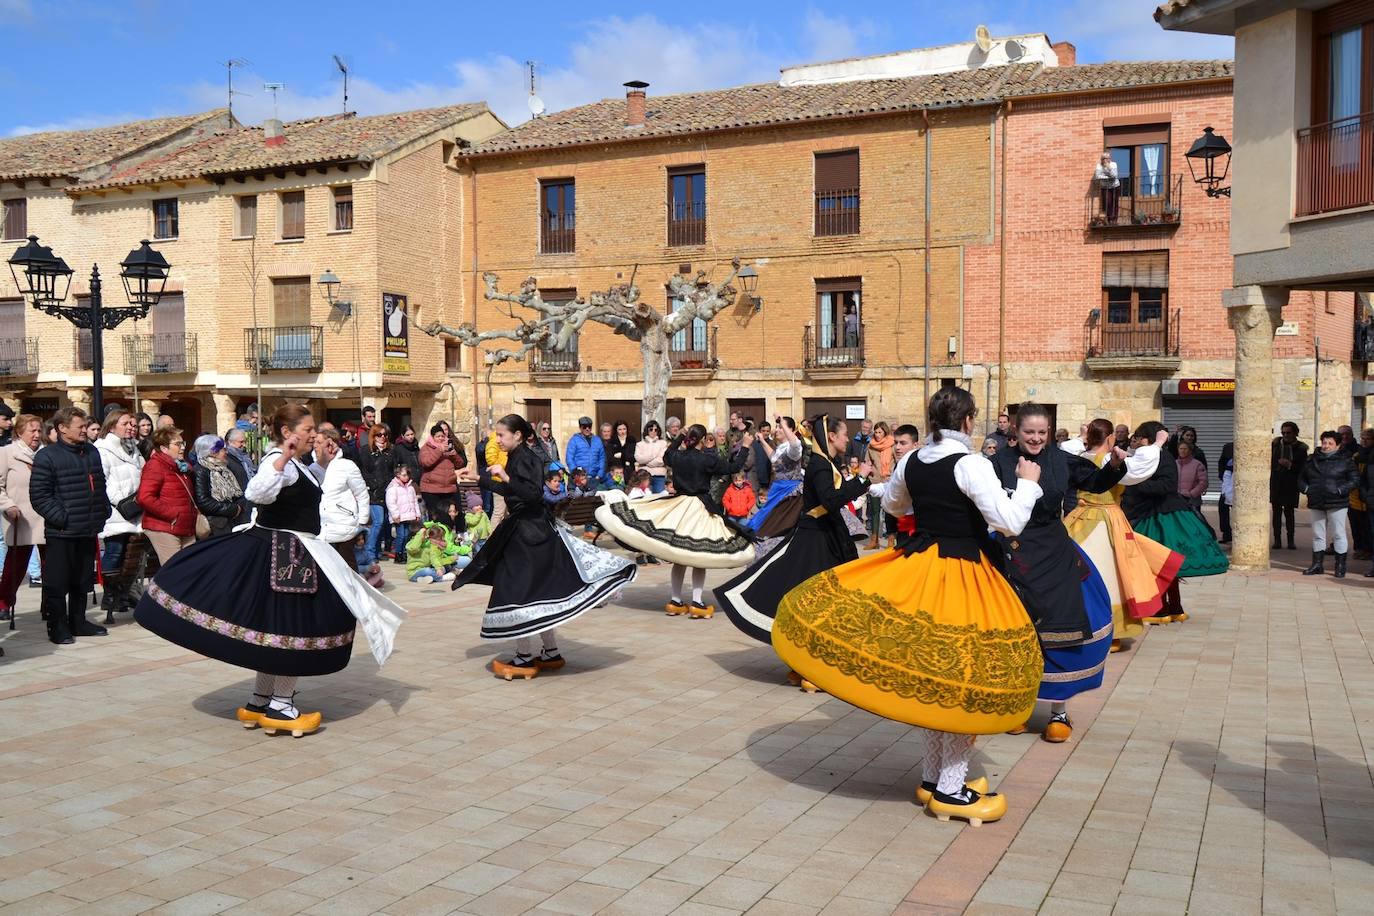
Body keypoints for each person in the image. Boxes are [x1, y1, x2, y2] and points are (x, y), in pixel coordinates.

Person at [774, 388, 1042, 825]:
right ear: (970, 421)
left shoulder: (912, 460)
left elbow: (896, 504)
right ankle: (951, 791)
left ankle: (934, 777)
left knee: (935, 673)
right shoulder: (971, 463)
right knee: (961, 677)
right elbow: (1008, 521)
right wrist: (1028, 485)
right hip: (964, 573)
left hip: (922, 565)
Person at [135, 404, 405, 737]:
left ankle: (261, 701)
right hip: (284, 558)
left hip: (293, 553)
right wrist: (282, 458)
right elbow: (256, 493)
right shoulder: (278, 461)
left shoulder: (297, 464)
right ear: (288, 433)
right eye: (307, 430)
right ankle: (282, 706)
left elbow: (304, 496)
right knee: (292, 630)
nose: (313, 436)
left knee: (274, 630)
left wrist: (319, 461)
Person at [990, 404, 1152, 744]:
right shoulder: (996, 464)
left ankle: (1058, 712)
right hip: (1011, 556)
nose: (1035, 438)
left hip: (1054, 554)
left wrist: (1117, 464)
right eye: (1028, 432)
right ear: (1015, 432)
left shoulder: (1061, 460)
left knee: (1061, 632)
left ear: (1049, 433)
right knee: (1020, 636)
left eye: (1041, 432)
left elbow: (1095, 481)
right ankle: (1021, 706)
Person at [453, 413, 637, 680]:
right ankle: (550, 651)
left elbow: (531, 494)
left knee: (520, 593)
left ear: (517, 435)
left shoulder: (526, 457)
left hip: (529, 534)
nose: (498, 440)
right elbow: (514, 492)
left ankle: (525, 656)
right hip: (527, 530)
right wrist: (479, 478)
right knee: (539, 592)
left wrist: (504, 476)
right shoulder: (518, 457)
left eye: (502, 435)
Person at [718, 414, 871, 669]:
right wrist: (861, 480)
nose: (847, 438)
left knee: (821, 599)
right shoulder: (821, 465)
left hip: (826, 534)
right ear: (831, 436)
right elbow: (830, 500)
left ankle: (806, 661)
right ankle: (808, 664)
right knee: (815, 600)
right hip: (816, 539)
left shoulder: (826, 463)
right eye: (844, 434)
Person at [597, 423, 755, 618]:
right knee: (698, 556)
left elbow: (666, 455)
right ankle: (697, 602)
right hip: (699, 508)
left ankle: (675, 600)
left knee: (679, 557)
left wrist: (679, 437)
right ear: (704, 440)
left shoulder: (678, 456)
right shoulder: (706, 459)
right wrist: (746, 445)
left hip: (679, 506)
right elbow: (734, 467)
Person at [1064, 419, 1181, 653]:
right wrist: (1158, 444)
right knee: (1111, 575)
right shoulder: (1111, 461)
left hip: (1077, 519)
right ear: (1110, 439)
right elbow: (1141, 467)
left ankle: (1077, 624)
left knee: (1077, 573)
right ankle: (1111, 629)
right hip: (1107, 520)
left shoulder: (1077, 458)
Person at [1123, 421, 1229, 622]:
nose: (1136, 441)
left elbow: (1167, 485)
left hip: (1162, 516)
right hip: (1151, 512)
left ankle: (1163, 608)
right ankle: (1174, 606)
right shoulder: (1146, 456)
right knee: (1164, 564)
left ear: (1150, 439)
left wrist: (1137, 484)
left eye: (1140, 437)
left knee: (1158, 562)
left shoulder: (1163, 457)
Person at [29, 406, 109, 645]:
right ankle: (58, 626)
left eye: (86, 426)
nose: (85, 430)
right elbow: (39, 496)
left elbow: (100, 484)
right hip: (62, 531)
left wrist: (103, 510)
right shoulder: (47, 456)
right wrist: (62, 518)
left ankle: (78, 621)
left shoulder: (91, 452)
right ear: (62, 429)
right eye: (80, 427)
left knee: (83, 579)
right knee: (57, 581)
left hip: (88, 526)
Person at [94, 410, 146, 617]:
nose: (131, 427)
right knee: (115, 553)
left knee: (131, 556)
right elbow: (102, 480)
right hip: (116, 512)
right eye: (126, 423)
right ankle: (110, 595)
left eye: (133, 424)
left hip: (135, 509)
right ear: (113, 425)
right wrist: (121, 501)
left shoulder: (134, 449)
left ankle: (123, 593)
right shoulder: (102, 449)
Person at [0, 414, 43, 623]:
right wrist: (8, 506)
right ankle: (4, 602)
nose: (36, 435)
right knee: (15, 564)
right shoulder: (7, 453)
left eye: (38, 430)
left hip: (46, 516)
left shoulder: (46, 453)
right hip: (20, 516)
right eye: (31, 430)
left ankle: (50, 604)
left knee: (51, 564)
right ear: (19, 432)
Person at [1299, 430, 1359, 578]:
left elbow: (1355, 480)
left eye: (1330, 443)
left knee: (1338, 534)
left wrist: (1339, 490)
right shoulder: (1311, 460)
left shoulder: (1346, 460)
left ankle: (1340, 566)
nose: (1326, 446)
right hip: (1316, 500)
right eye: (1324, 442)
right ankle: (1317, 564)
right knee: (1318, 534)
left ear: (1338, 445)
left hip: (1337, 502)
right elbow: (1301, 478)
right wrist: (1306, 489)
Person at [137, 426, 199, 563]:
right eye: (177, 444)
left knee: (190, 568)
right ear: (164, 448)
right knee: (174, 572)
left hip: (184, 526)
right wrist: (173, 515)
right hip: (165, 527)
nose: (182, 447)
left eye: (183, 443)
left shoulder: (180, 467)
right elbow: (144, 497)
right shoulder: (156, 466)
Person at [311, 427, 371, 565]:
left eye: (319, 442)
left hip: (343, 527)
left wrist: (361, 521)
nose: (315, 445)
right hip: (321, 529)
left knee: (347, 569)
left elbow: (361, 494)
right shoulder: (313, 469)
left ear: (331, 443)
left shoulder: (346, 466)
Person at [745, 417, 806, 546]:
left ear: (790, 430)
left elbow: (795, 444)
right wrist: (762, 440)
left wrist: (783, 422)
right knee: (767, 512)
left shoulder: (793, 447)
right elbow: (774, 458)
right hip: (778, 487)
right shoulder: (781, 447)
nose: (777, 429)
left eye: (781, 427)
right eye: (777, 427)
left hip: (790, 490)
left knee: (778, 516)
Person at [192, 435, 248, 539]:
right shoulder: (200, 470)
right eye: (223, 449)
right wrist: (232, 509)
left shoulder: (224, 468)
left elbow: (235, 493)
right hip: (215, 523)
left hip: (231, 520)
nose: (226, 452)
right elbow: (203, 501)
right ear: (213, 452)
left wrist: (239, 506)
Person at [359, 424, 396, 563]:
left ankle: (378, 550)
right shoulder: (366, 451)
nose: (382, 438)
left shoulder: (390, 451)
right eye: (379, 435)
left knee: (385, 522)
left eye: (385, 435)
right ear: (373, 436)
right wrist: (372, 485)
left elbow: (393, 470)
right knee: (378, 522)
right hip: (373, 493)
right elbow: (364, 471)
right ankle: (369, 553)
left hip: (387, 492)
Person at [419, 423, 467, 523]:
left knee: (449, 516)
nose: (441, 438)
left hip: (448, 488)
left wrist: (454, 455)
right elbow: (426, 463)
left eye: (442, 436)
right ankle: (435, 537)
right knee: (435, 517)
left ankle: (449, 536)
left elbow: (460, 464)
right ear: (432, 437)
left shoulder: (448, 447)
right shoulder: (426, 448)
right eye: (438, 436)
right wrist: (439, 450)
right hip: (431, 489)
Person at [1271, 422, 1307, 550]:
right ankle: (1277, 540)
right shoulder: (1275, 445)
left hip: (1290, 483)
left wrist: (1289, 465)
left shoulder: (1301, 448)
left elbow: (1304, 467)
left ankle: (1290, 540)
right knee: (1276, 513)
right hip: (1276, 482)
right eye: (1283, 432)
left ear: (1295, 433)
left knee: (1289, 513)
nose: (1285, 435)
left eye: (1288, 433)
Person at [864, 422, 895, 549]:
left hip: (889, 481)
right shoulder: (870, 446)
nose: (877, 435)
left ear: (885, 432)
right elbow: (867, 462)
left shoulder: (892, 445)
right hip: (875, 481)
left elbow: (897, 460)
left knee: (889, 511)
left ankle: (891, 540)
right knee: (875, 512)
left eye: (880, 432)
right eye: (875, 432)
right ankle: (874, 540)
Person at [385, 465, 423, 564]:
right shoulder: (393, 488)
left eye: (407, 475)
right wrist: (395, 515)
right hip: (399, 516)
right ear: (398, 475)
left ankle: (404, 553)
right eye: (404, 475)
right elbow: (391, 503)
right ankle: (398, 554)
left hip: (408, 515)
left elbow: (414, 501)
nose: (406, 477)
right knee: (400, 535)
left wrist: (417, 513)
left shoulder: (410, 487)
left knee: (407, 535)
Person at [565, 417, 606, 485]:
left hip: (594, 477)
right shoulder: (574, 440)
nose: (587, 429)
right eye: (584, 427)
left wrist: (599, 474)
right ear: (580, 427)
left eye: (589, 426)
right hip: (579, 478)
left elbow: (602, 458)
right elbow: (569, 458)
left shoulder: (597, 440)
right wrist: (576, 474)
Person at [484, 427, 510, 528]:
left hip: (507, 479)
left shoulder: (506, 440)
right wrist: (506, 467)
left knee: (507, 513)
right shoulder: (494, 441)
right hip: (499, 481)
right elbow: (491, 461)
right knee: (499, 512)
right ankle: (492, 539)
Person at [1175, 440, 1209, 511]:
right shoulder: (1174, 464)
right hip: (1176, 500)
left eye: (1185, 449)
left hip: (1192, 501)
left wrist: (1192, 494)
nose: (1182, 451)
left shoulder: (1198, 464)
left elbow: (1203, 482)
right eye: (1181, 449)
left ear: (1190, 451)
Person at [1095, 150, 1120, 222]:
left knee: (1115, 203)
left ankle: (1114, 219)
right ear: (1102, 159)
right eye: (1105, 158)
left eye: (1108, 158)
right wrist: (1108, 177)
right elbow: (1097, 176)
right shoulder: (1099, 166)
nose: (1107, 160)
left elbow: (1115, 175)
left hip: (1115, 186)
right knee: (1108, 203)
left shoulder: (1113, 164)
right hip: (1105, 187)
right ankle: (1110, 219)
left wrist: (1108, 168)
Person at [1217, 441, 1235, 543]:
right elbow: (1221, 462)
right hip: (1228, 479)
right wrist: (1222, 475)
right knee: (1223, 506)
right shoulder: (1228, 447)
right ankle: (1226, 533)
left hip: (1239, 479)